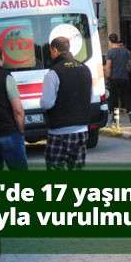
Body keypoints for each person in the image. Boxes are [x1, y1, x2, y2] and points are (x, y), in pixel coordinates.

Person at [40, 36, 93, 171]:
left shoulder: (53, 73)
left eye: (51, 51)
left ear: (55, 50)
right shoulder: (85, 68)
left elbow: (47, 103)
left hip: (59, 131)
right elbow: (90, 96)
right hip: (81, 130)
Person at [104, 33, 131, 125]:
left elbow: (108, 66)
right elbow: (129, 65)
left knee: (114, 98)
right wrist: (126, 71)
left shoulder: (110, 52)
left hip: (114, 78)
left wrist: (107, 76)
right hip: (124, 77)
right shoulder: (126, 51)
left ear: (110, 41)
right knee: (126, 96)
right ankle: (130, 112)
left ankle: (115, 118)